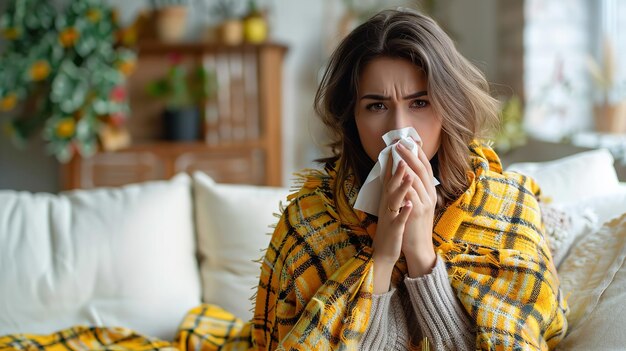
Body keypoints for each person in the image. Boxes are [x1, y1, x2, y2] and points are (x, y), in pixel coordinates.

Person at [182, 7, 568, 351]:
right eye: (377, 106)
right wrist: (381, 257)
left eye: (420, 102)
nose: (400, 129)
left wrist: (420, 253)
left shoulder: (506, 205)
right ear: (352, 117)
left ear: (450, 105)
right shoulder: (310, 220)